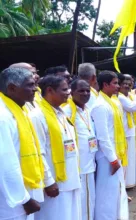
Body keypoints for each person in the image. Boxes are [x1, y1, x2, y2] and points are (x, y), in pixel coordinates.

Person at [31, 75, 81, 220]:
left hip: (70, 177)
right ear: (50, 90)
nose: (69, 92)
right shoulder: (37, 116)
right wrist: (48, 182)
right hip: (55, 182)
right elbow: (38, 152)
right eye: (64, 89)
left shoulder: (61, 112)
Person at [0, 68, 46, 220]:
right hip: (11, 199)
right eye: (30, 85)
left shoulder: (20, 110)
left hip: (23, 190)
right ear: (12, 88)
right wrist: (23, 199)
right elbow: (6, 162)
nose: (36, 89)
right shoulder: (3, 116)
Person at [90, 71, 128, 220]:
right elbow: (103, 136)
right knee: (106, 193)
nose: (118, 86)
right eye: (115, 83)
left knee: (116, 190)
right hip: (107, 157)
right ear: (105, 85)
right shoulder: (100, 105)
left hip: (114, 153)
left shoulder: (111, 102)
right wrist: (112, 160)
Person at [62, 79, 97, 220]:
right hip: (77, 165)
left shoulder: (87, 109)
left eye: (88, 90)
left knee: (89, 198)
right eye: (81, 90)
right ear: (72, 92)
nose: (85, 93)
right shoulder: (67, 111)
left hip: (90, 162)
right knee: (82, 199)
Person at [117, 74, 136, 189]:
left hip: (131, 130)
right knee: (125, 160)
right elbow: (133, 107)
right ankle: (124, 184)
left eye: (129, 84)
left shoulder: (130, 96)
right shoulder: (119, 97)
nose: (127, 86)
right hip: (123, 131)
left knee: (131, 158)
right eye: (125, 84)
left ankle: (130, 182)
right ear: (120, 85)